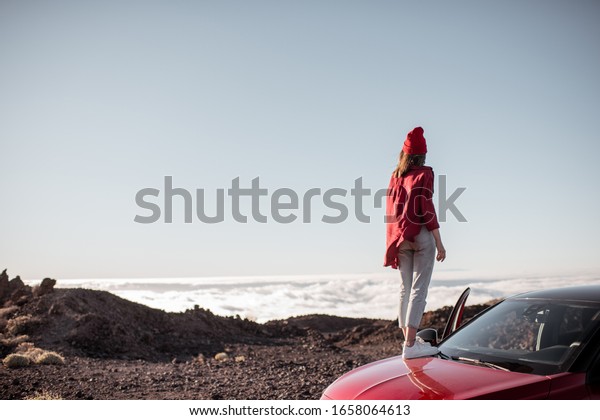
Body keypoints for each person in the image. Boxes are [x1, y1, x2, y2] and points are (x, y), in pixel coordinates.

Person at [384, 126, 446, 359]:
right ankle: (410, 346)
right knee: (419, 289)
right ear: (423, 155)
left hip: (400, 237)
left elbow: (391, 211)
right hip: (420, 234)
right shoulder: (425, 174)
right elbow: (426, 209)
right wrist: (439, 242)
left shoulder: (395, 176)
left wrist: (393, 241)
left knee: (404, 289)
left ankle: (408, 340)